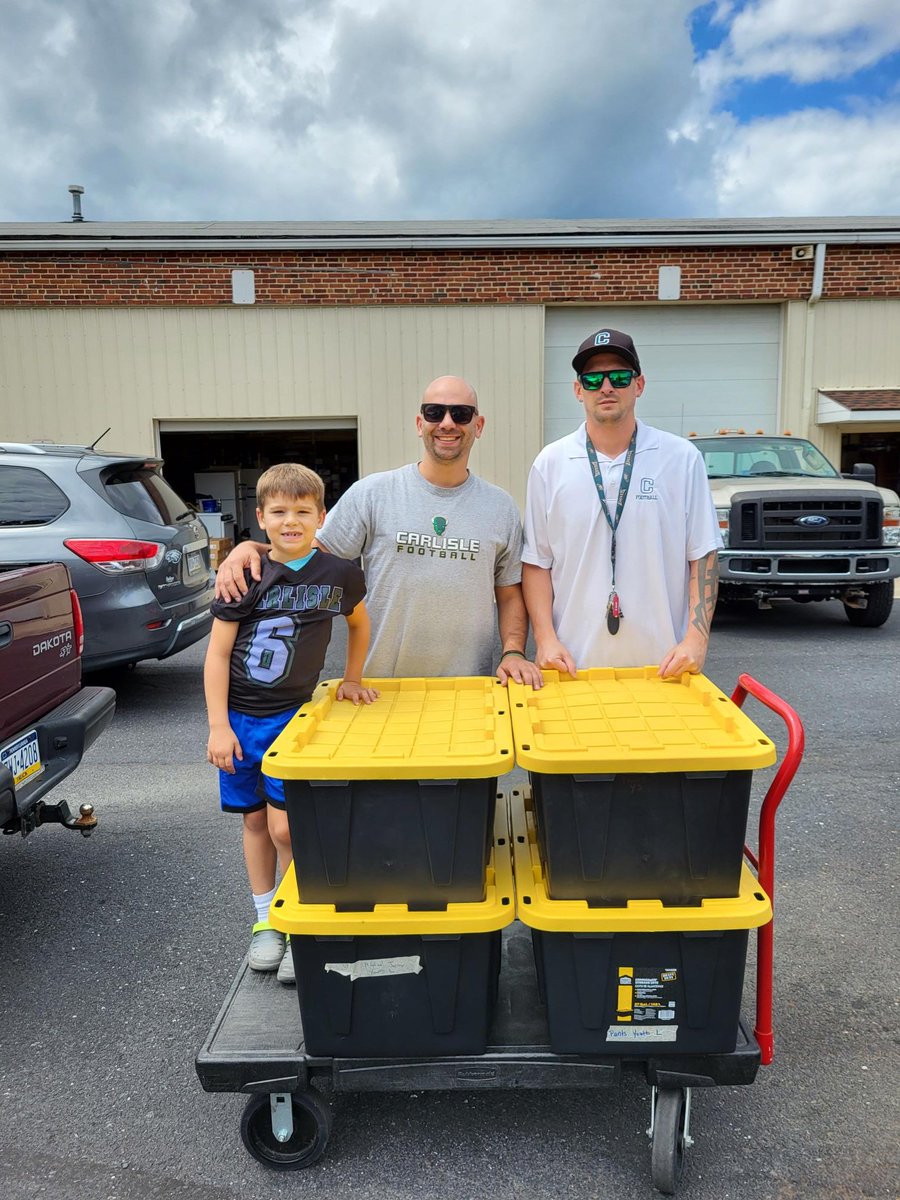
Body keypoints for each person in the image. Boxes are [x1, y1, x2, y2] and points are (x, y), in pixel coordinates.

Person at [214, 377, 544, 688]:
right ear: (420, 424)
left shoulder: (500, 508)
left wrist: (513, 651)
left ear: (478, 425)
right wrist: (253, 550)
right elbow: (308, 556)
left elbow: (510, 592)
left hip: (468, 689)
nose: (447, 423)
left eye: (460, 414)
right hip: (379, 689)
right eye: (434, 412)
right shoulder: (373, 494)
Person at [204, 463, 377, 985]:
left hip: (293, 720)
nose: (291, 521)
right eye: (278, 512)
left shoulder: (338, 573)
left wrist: (351, 676)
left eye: (303, 511)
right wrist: (218, 727)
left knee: (285, 826)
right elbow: (216, 656)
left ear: (322, 516)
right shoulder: (244, 575)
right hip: (239, 719)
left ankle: (294, 917)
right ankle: (265, 924)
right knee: (254, 821)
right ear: (260, 517)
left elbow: (359, 621)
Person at [522, 328, 721, 677]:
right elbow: (538, 562)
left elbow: (702, 556)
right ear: (577, 390)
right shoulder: (550, 463)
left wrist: (695, 639)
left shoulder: (680, 458)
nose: (606, 387)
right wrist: (545, 638)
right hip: (572, 666)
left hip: (662, 667)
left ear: (639, 385)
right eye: (593, 378)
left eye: (619, 376)